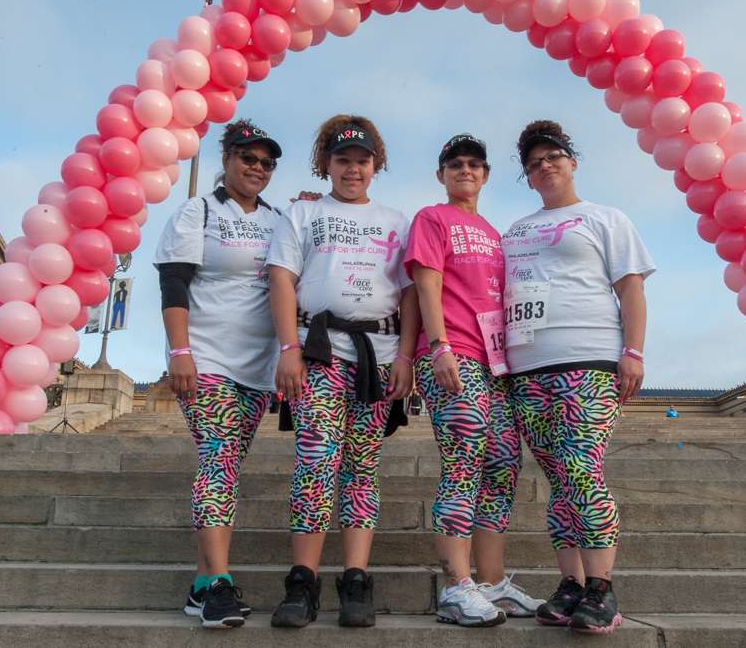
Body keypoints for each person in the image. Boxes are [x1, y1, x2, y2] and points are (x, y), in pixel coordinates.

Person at [502, 120, 654, 634]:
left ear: (572, 163)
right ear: (526, 176)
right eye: (534, 162)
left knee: (583, 473)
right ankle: (569, 584)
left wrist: (632, 351)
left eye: (554, 156)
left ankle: (601, 588)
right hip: (527, 368)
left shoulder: (605, 218)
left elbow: (631, 291)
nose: (544, 165)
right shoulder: (515, 231)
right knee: (557, 480)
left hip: (587, 361)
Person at [266, 115, 417, 629]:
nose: (353, 169)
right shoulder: (303, 215)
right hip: (319, 351)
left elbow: (411, 294)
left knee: (361, 469)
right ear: (325, 164)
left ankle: (356, 578)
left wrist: (406, 357)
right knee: (315, 463)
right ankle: (302, 580)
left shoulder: (398, 221)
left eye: (362, 160)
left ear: (376, 166)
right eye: (343, 160)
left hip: (377, 354)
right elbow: (282, 281)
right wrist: (288, 347)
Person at [406, 133, 543, 627]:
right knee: (465, 459)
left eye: (474, 165)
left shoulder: (491, 230)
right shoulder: (432, 218)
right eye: (455, 164)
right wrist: (438, 345)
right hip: (452, 354)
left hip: (495, 364)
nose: (465, 171)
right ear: (442, 175)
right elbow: (426, 282)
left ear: (485, 175)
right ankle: (455, 587)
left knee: (504, 461)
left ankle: (490, 581)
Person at [155, 119, 284, 629]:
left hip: (257, 368)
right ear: (226, 160)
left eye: (266, 162)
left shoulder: (279, 219)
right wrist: (179, 350)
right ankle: (220, 587)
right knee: (219, 458)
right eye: (247, 158)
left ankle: (200, 583)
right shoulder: (198, 210)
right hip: (206, 357)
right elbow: (174, 284)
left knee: (227, 464)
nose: (256, 168)